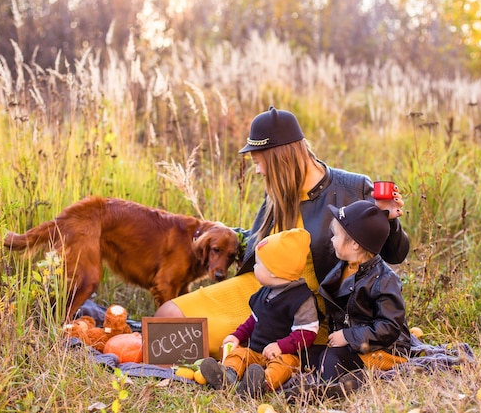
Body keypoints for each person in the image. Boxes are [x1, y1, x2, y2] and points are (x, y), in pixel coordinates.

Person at [154, 106, 410, 361]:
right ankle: (163, 351)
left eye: (258, 162)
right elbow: (262, 244)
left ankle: (206, 359)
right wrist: (225, 235)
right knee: (167, 315)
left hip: (301, 308)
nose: (256, 171)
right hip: (261, 290)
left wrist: (390, 220)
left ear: (279, 158)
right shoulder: (277, 192)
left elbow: (393, 254)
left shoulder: (353, 189)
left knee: (171, 336)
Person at [308, 200, 412, 398]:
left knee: (330, 359)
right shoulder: (345, 267)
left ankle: (328, 391)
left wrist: (348, 336)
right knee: (312, 355)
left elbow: (389, 327)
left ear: (355, 244)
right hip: (358, 342)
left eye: (336, 235)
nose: (331, 239)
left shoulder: (385, 279)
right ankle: (332, 380)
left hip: (385, 348)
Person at [199, 228, 319, 397]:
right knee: (240, 354)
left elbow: (307, 334)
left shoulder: (301, 299)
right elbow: (253, 320)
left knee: (284, 366)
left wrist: (280, 346)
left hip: (285, 354)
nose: (254, 267)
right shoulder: (265, 292)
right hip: (255, 351)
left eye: (258, 264)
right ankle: (228, 375)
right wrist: (237, 336)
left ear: (274, 271)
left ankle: (261, 383)